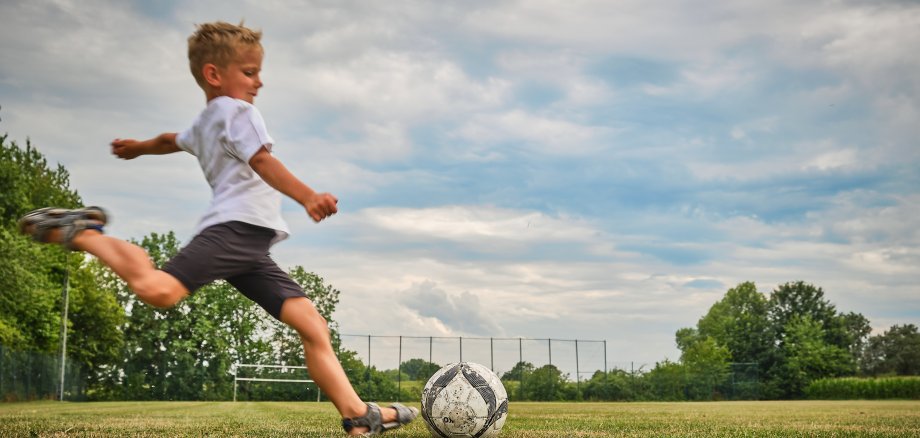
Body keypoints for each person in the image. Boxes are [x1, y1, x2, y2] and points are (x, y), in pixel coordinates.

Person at [19, 21, 416, 436]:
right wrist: (308, 196)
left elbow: (170, 139)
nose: (259, 82)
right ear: (214, 74)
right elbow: (263, 161)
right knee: (159, 289)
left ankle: (359, 416)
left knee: (312, 325)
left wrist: (137, 148)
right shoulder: (237, 112)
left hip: (251, 246)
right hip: (233, 231)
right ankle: (83, 231)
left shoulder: (206, 121)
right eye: (249, 72)